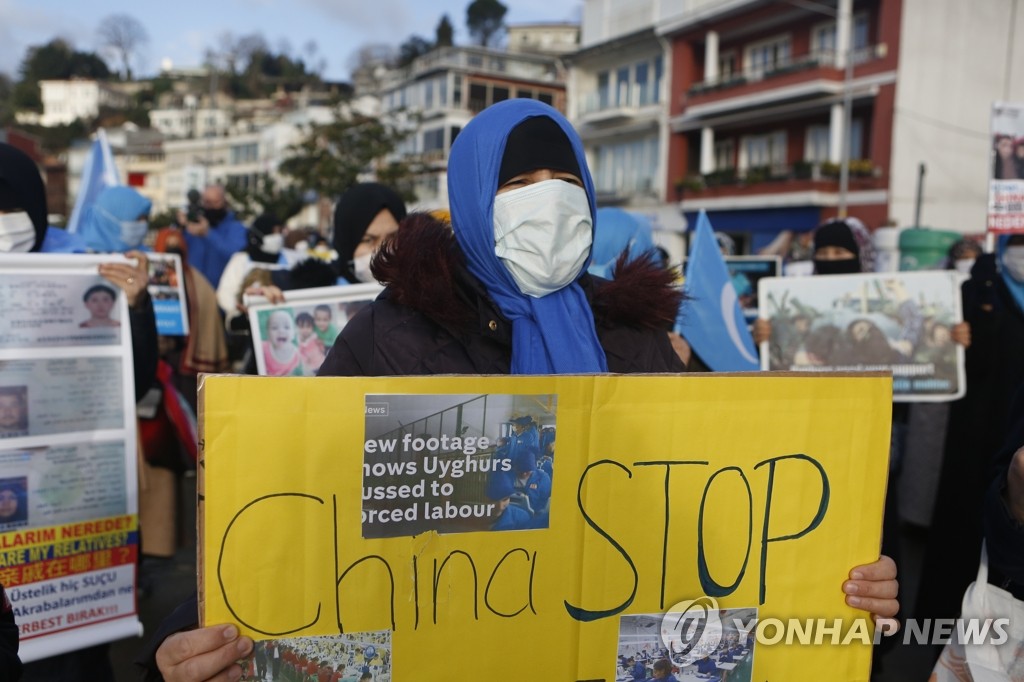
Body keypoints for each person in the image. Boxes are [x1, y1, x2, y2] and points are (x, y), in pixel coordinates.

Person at [145, 99, 900, 681]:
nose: (551, 199)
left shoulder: (634, 339)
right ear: (474, 195)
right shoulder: (391, 336)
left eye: (567, 180)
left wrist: (837, 584)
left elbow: (715, 516)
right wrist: (204, 627)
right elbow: (296, 505)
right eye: (521, 182)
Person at [179, 184, 249, 288]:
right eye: (207, 202)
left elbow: (235, 255)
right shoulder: (194, 226)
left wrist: (208, 234)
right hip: (194, 290)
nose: (211, 207)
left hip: (222, 291)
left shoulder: (236, 228)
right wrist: (181, 227)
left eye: (215, 202)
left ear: (225, 202)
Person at [262, 310, 302, 376]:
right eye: (274, 327)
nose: (281, 331)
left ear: (294, 333)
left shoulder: (295, 355)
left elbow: (288, 374)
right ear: (267, 333)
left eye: (286, 327)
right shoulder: (263, 348)